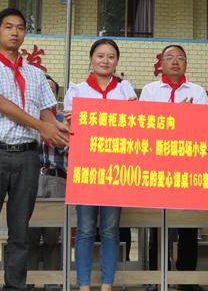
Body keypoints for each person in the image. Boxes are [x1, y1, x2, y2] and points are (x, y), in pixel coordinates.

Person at [0, 8, 69, 291]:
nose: (15, 32)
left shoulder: (36, 74)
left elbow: (47, 115)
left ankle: (15, 286)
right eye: (8, 26)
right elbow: (0, 103)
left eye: (20, 27)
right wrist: (42, 126)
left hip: (27, 156)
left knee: (20, 229)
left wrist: (63, 131)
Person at [64, 38, 137, 291]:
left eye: (111, 56)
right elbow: (69, 127)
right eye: (100, 56)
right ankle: (84, 285)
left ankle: (107, 285)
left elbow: (135, 124)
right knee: (84, 229)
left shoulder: (125, 89)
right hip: (86, 168)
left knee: (110, 229)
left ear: (117, 61)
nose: (105, 61)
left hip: (116, 169)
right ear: (91, 59)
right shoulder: (77, 90)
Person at [140, 44, 208, 291]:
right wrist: (176, 115)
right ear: (161, 63)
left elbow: (205, 129)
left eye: (180, 58)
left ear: (186, 63)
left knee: (189, 227)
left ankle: (187, 280)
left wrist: (189, 118)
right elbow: (144, 127)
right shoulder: (149, 91)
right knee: (157, 227)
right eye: (170, 57)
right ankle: (156, 277)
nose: (175, 61)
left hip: (188, 169)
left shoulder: (198, 92)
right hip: (157, 169)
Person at [27, 75, 67, 280]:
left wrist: (55, 134)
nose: (48, 92)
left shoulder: (63, 119)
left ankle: (52, 281)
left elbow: (68, 147)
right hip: (32, 177)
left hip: (56, 177)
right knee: (30, 232)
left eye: (51, 89)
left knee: (53, 234)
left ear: (56, 95)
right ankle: (30, 280)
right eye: (44, 88)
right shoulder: (29, 117)